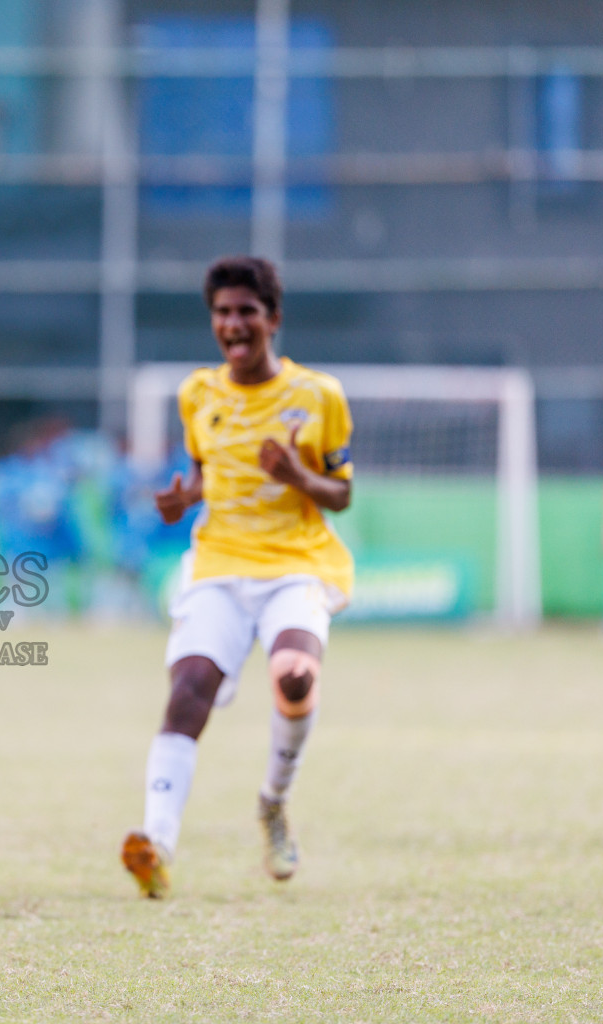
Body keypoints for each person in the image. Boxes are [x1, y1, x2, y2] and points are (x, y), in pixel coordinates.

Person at [122, 256, 353, 899]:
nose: (233, 324)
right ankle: (156, 844)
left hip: (295, 565)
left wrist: (297, 477)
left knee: (295, 675)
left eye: (246, 311)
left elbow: (340, 495)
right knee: (188, 689)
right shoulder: (198, 393)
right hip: (219, 564)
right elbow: (203, 473)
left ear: (272, 319)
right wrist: (181, 499)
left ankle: (273, 802)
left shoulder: (317, 396)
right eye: (222, 313)